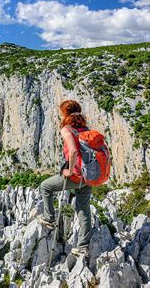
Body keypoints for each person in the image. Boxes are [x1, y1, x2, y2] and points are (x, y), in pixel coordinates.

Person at [38, 99, 92, 256]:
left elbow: (74, 151)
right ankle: (83, 246)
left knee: (45, 186)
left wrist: (68, 170)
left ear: (65, 113)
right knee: (83, 209)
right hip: (88, 176)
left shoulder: (67, 130)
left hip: (75, 175)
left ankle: (49, 218)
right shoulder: (85, 129)